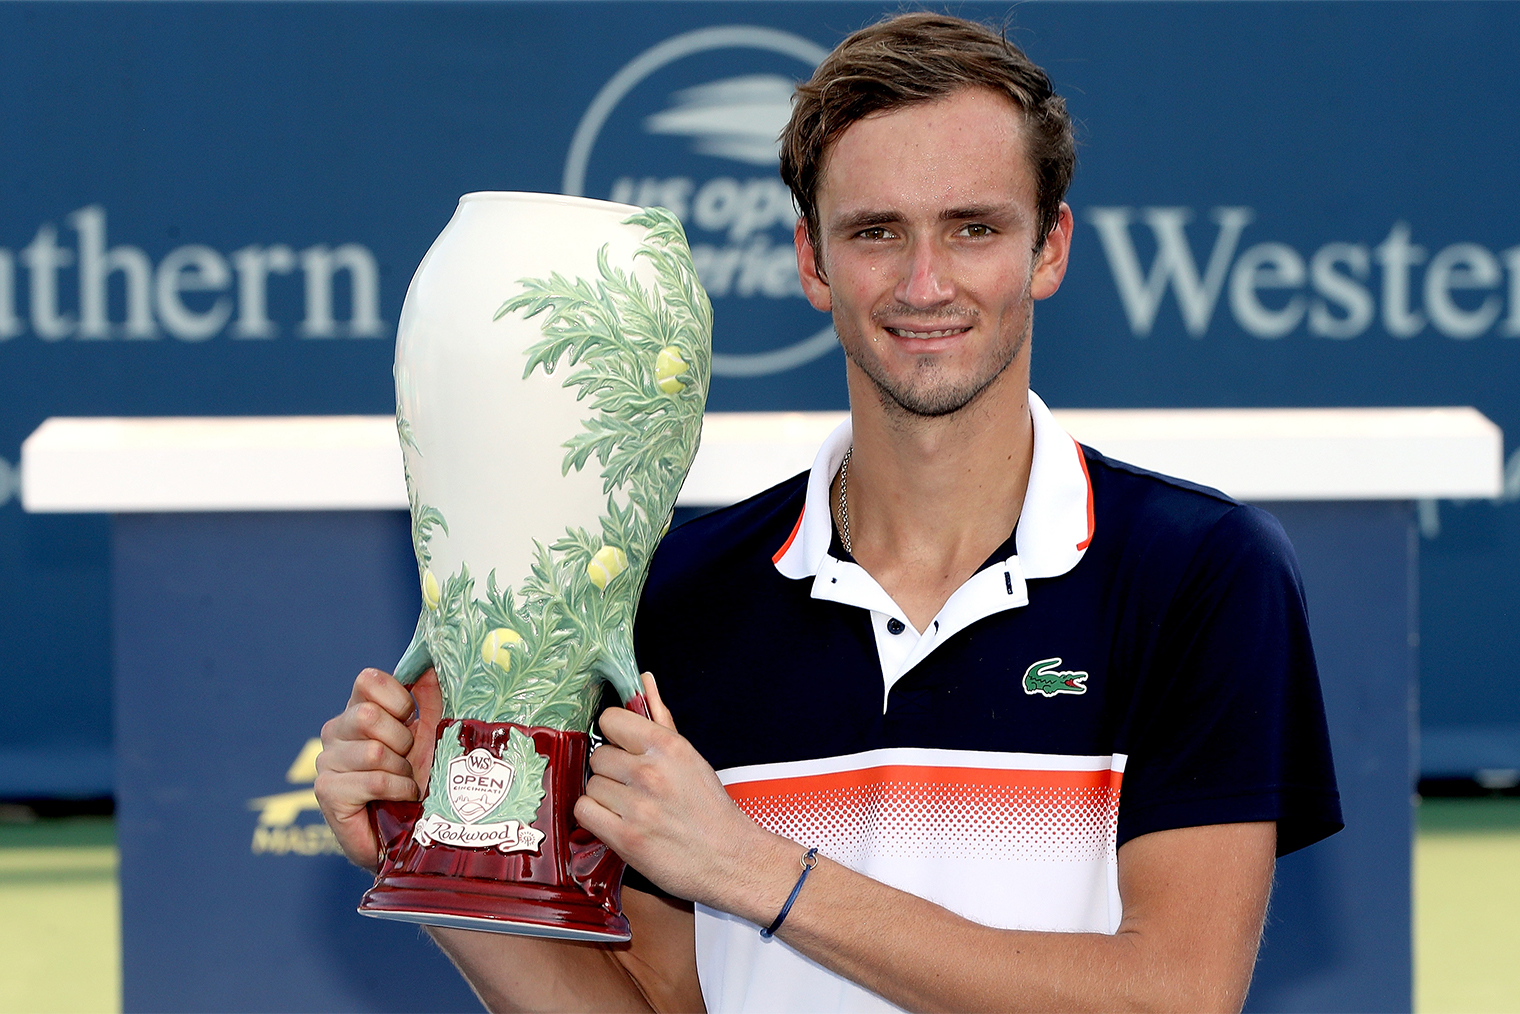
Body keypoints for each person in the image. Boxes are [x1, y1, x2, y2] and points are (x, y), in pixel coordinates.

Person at [315, 12, 1341, 1013]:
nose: (924, 282)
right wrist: (442, 851)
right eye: (876, 233)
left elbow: (1175, 994)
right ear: (812, 261)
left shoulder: (1201, 574)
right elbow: (657, 1004)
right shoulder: (676, 595)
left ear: (1048, 249)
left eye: (972, 228)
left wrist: (757, 870)